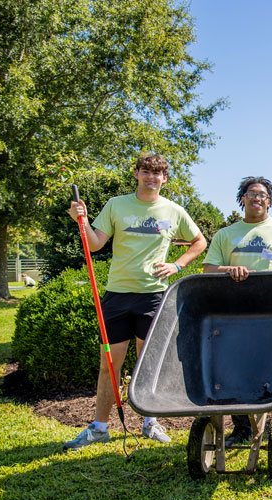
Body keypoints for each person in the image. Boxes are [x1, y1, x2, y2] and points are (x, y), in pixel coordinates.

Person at [64, 153, 206, 450]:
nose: (151, 178)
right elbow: (94, 243)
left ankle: (150, 422)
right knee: (109, 365)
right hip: (117, 294)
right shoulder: (117, 205)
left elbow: (200, 241)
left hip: (153, 296)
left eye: (157, 174)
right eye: (145, 172)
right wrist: (83, 220)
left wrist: (177, 265)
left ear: (164, 179)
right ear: (136, 174)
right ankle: (99, 427)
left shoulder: (173, 210)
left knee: (147, 365)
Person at [203, 176, 272, 446]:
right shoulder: (225, 234)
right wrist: (229, 269)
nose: (257, 198)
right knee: (235, 367)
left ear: (270, 201)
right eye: (251, 193)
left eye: (263, 195)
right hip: (236, 314)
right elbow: (208, 269)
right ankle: (241, 428)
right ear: (242, 198)